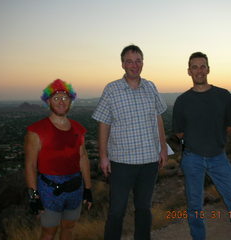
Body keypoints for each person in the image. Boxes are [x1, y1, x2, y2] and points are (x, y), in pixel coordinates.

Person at [92, 44, 168, 240]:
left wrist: (163, 150)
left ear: (143, 62)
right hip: (122, 162)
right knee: (117, 211)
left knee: (144, 209)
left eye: (138, 61)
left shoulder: (151, 87)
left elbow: (158, 118)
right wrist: (103, 156)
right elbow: (103, 123)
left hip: (149, 161)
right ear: (122, 64)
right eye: (129, 61)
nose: (134, 65)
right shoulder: (112, 89)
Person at [172, 52, 231, 240]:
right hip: (192, 159)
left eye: (202, 66)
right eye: (194, 67)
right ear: (188, 71)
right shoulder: (182, 101)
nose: (199, 70)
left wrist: (212, 138)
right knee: (195, 206)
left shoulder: (223, 96)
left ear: (208, 69)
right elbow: (179, 133)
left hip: (218, 157)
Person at [24, 79, 92, 240]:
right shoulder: (36, 131)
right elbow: (30, 165)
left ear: (71, 101)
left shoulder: (78, 128)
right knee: (49, 232)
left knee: (69, 227)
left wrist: (88, 189)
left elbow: (83, 157)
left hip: (75, 187)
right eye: (56, 98)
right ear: (48, 101)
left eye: (65, 98)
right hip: (49, 190)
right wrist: (34, 196)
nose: (61, 102)